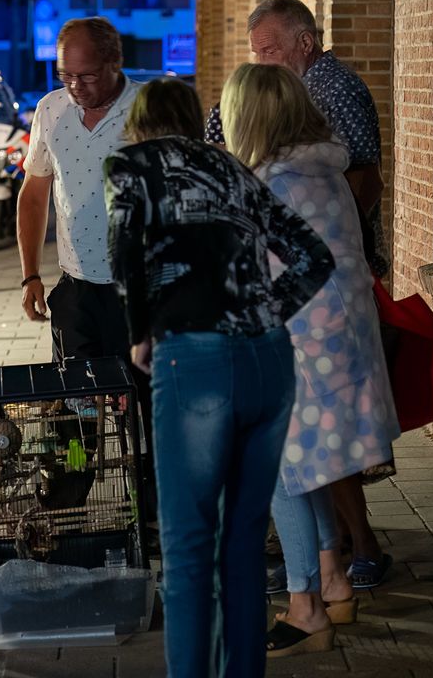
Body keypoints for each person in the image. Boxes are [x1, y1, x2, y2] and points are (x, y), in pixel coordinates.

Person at [106, 78, 334, 678]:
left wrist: (138, 330)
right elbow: (315, 257)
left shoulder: (134, 164)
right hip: (269, 360)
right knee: (242, 544)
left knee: (186, 552)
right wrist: (262, 312)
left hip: (196, 361)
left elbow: (125, 253)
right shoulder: (236, 172)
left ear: (139, 126)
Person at [208, 0, 396, 591]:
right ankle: (328, 580)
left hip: (307, 349)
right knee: (305, 465)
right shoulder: (312, 170)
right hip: (324, 343)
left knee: (284, 467)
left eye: (269, 49)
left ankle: (311, 591)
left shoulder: (283, 182)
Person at [17, 17, 138, 364]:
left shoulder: (147, 108)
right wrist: (31, 275)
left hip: (138, 286)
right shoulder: (50, 110)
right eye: (65, 75)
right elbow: (34, 193)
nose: (75, 86)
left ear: (114, 63)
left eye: (86, 76)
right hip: (76, 285)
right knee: (75, 405)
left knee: (139, 402)